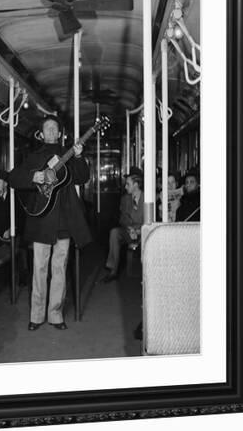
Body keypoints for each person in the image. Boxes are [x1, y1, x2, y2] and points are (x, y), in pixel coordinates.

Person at [8, 116, 91, 331]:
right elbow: (14, 178)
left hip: (64, 220)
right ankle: (36, 315)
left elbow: (83, 177)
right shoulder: (33, 157)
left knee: (59, 269)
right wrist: (34, 176)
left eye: (55, 128)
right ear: (41, 134)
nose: (52, 131)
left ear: (60, 133)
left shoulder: (69, 155)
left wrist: (80, 157)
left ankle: (55, 314)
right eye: (48, 128)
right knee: (40, 268)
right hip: (42, 220)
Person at [102, 166, 144, 283]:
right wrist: (129, 228)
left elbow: (149, 220)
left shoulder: (147, 198)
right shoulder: (125, 199)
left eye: (128, 184)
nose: (125, 187)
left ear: (136, 185)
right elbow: (122, 219)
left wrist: (139, 230)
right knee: (114, 233)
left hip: (143, 232)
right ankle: (113, 271)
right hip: (129, 231)